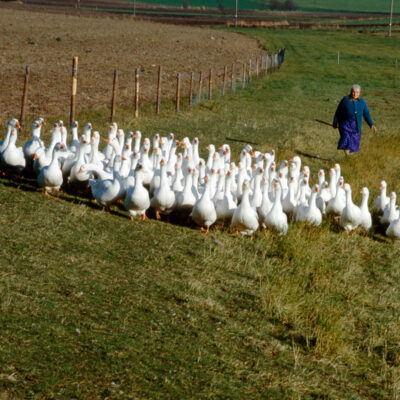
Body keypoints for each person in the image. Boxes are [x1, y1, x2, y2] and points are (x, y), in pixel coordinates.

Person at [333, 84, 376, 155]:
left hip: (356, 126)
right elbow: (338, 111)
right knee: (345, 139)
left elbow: (366, 113)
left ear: (359, 93)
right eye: (353, 92)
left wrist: (371, 124)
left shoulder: (362, 102)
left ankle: (350, 157)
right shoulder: (345, 99)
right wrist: (335, 122)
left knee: (354, 144)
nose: (355, 94)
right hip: (345, 124)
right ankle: (347, 155)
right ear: (350, 92)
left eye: (357, 92)